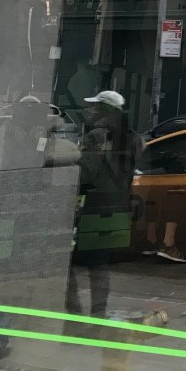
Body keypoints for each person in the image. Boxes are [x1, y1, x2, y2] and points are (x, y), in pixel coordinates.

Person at [66, 90, 143, 321]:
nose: (90, 110)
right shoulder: (135, 139)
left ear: (104, 110)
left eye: (95, 106)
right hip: (117, 205)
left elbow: (86, 173)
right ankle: (98, 312)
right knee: (99, 265)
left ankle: (75, 313)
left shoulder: (97, 135)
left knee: (68, 263)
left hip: (93, 205)